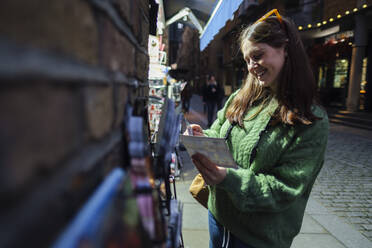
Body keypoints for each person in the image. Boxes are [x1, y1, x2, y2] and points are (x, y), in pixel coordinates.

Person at [186, 9, 329, 248]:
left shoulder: (312, 121)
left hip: (256, 237)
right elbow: (218, 132)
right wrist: (202, 137)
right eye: (247, 60)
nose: (252, 66)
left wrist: (228, 178)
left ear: (285, 49)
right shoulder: (241, 98)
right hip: (217, 216)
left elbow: (284, 189)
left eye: (258, 56)